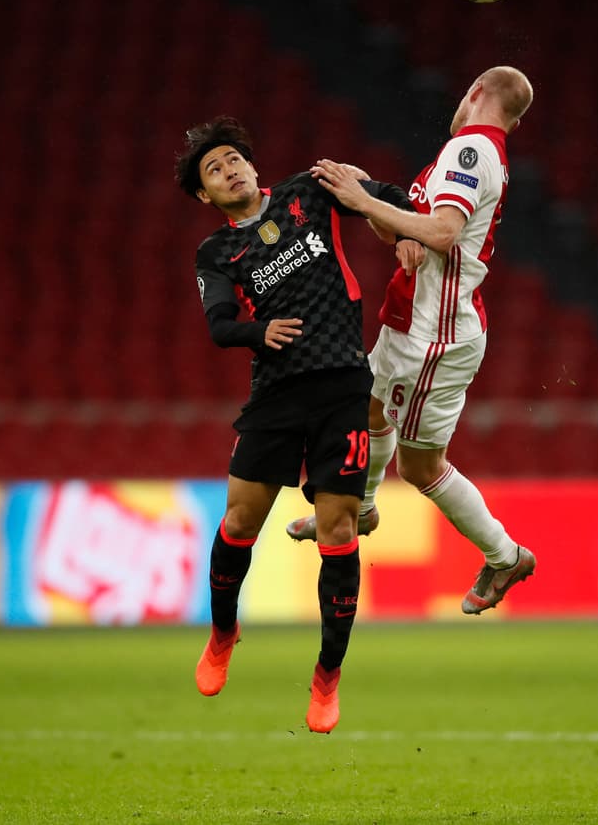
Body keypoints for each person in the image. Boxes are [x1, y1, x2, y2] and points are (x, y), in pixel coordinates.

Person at [177, 116, 412, 733]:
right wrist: (261, 332)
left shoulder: (310, 192)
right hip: (276, 394)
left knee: (338, 528)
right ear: (206, 196)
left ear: (253, 166)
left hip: (341, 386)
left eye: (234, 159)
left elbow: (391, 199)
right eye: (213, 169)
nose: (228, 170)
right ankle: (224, 634)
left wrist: (407, 230)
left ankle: (327, 677)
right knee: (238, 520)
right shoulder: (217, 253)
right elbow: (221, 326)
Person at [286, 66, 538, 616]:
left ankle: (505, 555)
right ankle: (364, 508)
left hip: (433, 335)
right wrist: (369, 193)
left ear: (475, 93)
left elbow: (444, 233)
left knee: (420, 467)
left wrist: (366, 199)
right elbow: (417, 231)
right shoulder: (468, 155)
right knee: (367, 410)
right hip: (412, 322)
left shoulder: (469, 152)